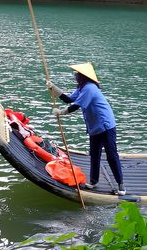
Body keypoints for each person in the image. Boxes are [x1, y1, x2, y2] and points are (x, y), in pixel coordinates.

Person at [46, 62, 126, 196]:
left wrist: (60, 112)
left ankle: (121, 185)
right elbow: (69, 99)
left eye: (77, 74)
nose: (75, 76)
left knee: (111, 155)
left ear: (83, 76)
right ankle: (94, 181)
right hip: (94, 127)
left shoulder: (90, 88)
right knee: (94, 154)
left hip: (105, 125)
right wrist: (54, 88)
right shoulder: (82, 88)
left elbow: (76, 106)